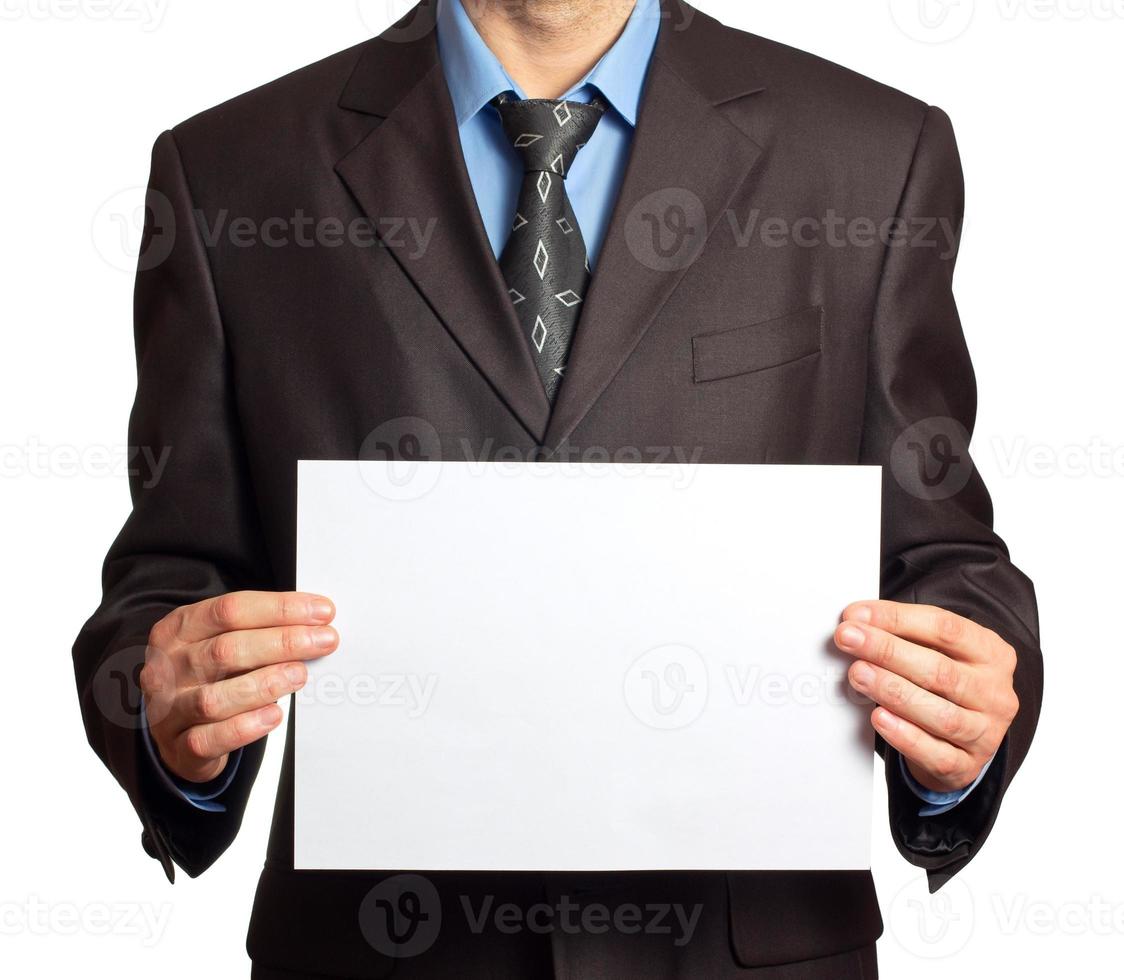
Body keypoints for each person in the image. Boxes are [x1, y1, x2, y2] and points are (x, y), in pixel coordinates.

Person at [73, 0, 1042, 976]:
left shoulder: (871, 157)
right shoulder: (228, 174)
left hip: (747, 951)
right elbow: (168, 575)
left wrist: (958, 710)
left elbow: (942, 554)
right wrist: (167, 713)